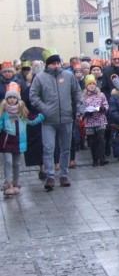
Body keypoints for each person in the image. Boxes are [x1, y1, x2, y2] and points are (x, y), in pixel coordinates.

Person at [29, 48, 83, 190]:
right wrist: (44, 108)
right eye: (53, 63)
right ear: (48, 65)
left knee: (66, 149)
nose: (56, 65)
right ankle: (50, 176)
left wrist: (78, 109)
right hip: (48, 120)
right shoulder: (40, 78)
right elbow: (33, 96)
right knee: (48, 149)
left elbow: (77, 93)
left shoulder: (68, 76)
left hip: (66, 118)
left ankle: (64, 175)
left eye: (58, 62)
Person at [0, 83, 44, 197]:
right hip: (6, 142)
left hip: (19, 142)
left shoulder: (22, 112)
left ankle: (16, 182)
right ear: (6, 99)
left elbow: (32, 120)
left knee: (17, 163)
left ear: (18, 99)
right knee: (8, 162)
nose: (12, 99)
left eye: (14, 97)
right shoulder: (3, 113)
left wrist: (42, 116)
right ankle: (7, 183)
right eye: (9, 97)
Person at [82, 74, 110, 166]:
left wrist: (103, 108)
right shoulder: (83, 96)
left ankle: (102, 158)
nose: (92, 86)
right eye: (89, 84)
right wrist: (85, 113)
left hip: (100, 120)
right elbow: (81, 108)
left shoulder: (101, 94)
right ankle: (95, 159)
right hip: (89, 122)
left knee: (101, 139)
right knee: (92, 141)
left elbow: (106, 105)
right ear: (86, 86)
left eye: (93, 84)